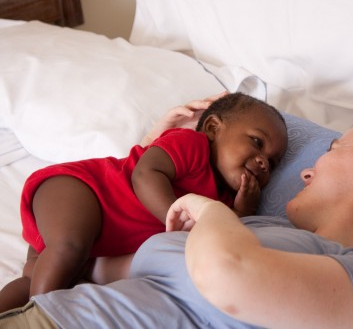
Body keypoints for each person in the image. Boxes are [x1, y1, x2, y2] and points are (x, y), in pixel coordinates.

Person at [0, 109, 353, 328]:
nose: (305, 171)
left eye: (332, 149)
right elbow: (101, 267)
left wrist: (208, 209)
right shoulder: (261, 231)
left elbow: (228, 276)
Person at [0, 92, 289, 313]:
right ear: (213, 128)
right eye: (257, 142)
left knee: (44, 275)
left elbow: (223, 235)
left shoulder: (222, 199)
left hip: (94, 238)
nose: (264, 162)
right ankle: (39, 316)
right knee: (68, 248)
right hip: (80, 190)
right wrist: (176, 213)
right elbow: (145, 175)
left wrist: (243, 210)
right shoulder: (191, 145)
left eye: (273, 163)